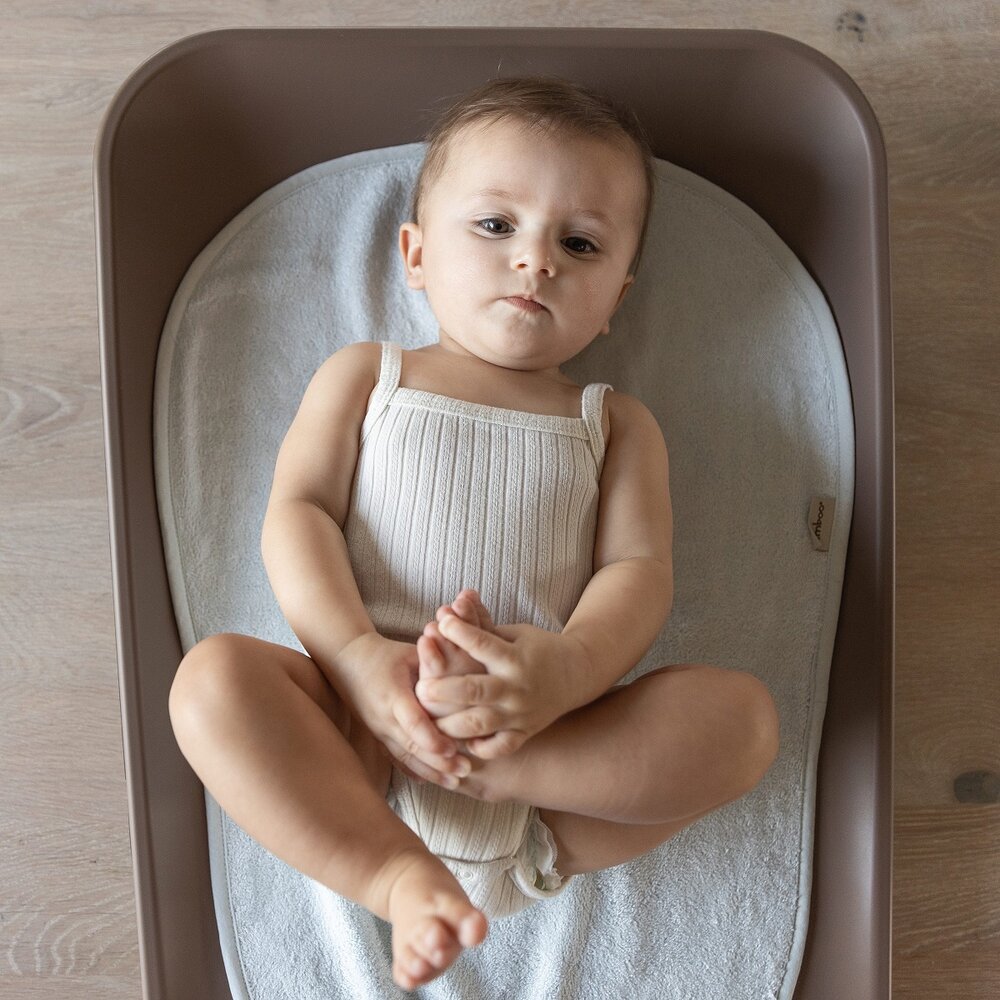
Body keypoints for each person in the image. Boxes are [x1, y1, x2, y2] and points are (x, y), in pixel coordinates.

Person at [168, 76, 780, 992]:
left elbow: (639, 571)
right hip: (358, 741)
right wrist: (355, 658)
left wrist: (566, 674)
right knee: (213, 683)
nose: (535, 262)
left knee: (744, 724)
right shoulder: (368, 377)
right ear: (415, 253)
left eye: (579, 244)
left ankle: (492, 774)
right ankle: (391, 875)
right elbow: (296, 515)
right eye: (496, 227)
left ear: (615, 298)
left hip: (546, 775)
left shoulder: (614, 424)